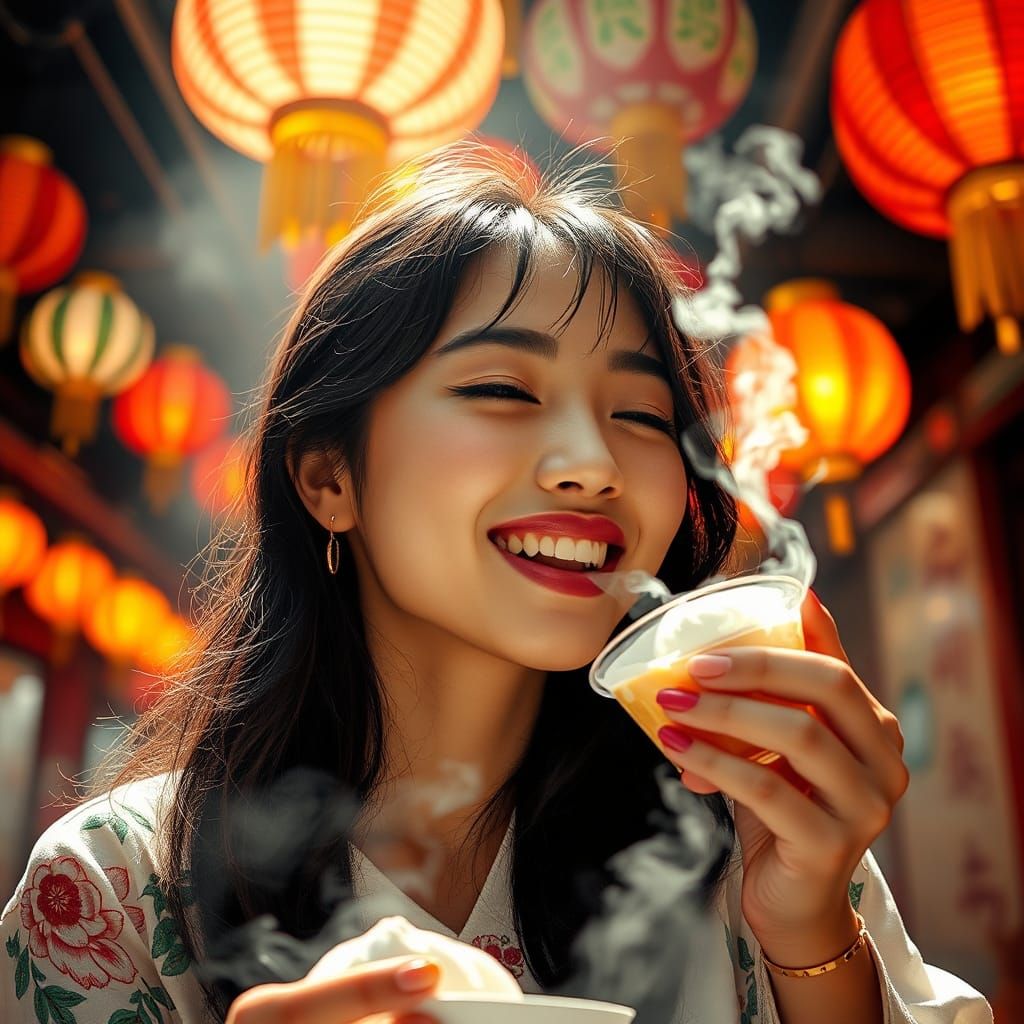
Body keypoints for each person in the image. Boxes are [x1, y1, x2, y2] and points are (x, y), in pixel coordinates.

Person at [1, 146, 993, 1024]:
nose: (590, 463)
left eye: (641, 414)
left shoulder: (748, 830)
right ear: (328, 476)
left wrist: (807, 928)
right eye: (501, 390)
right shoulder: (115, 884)